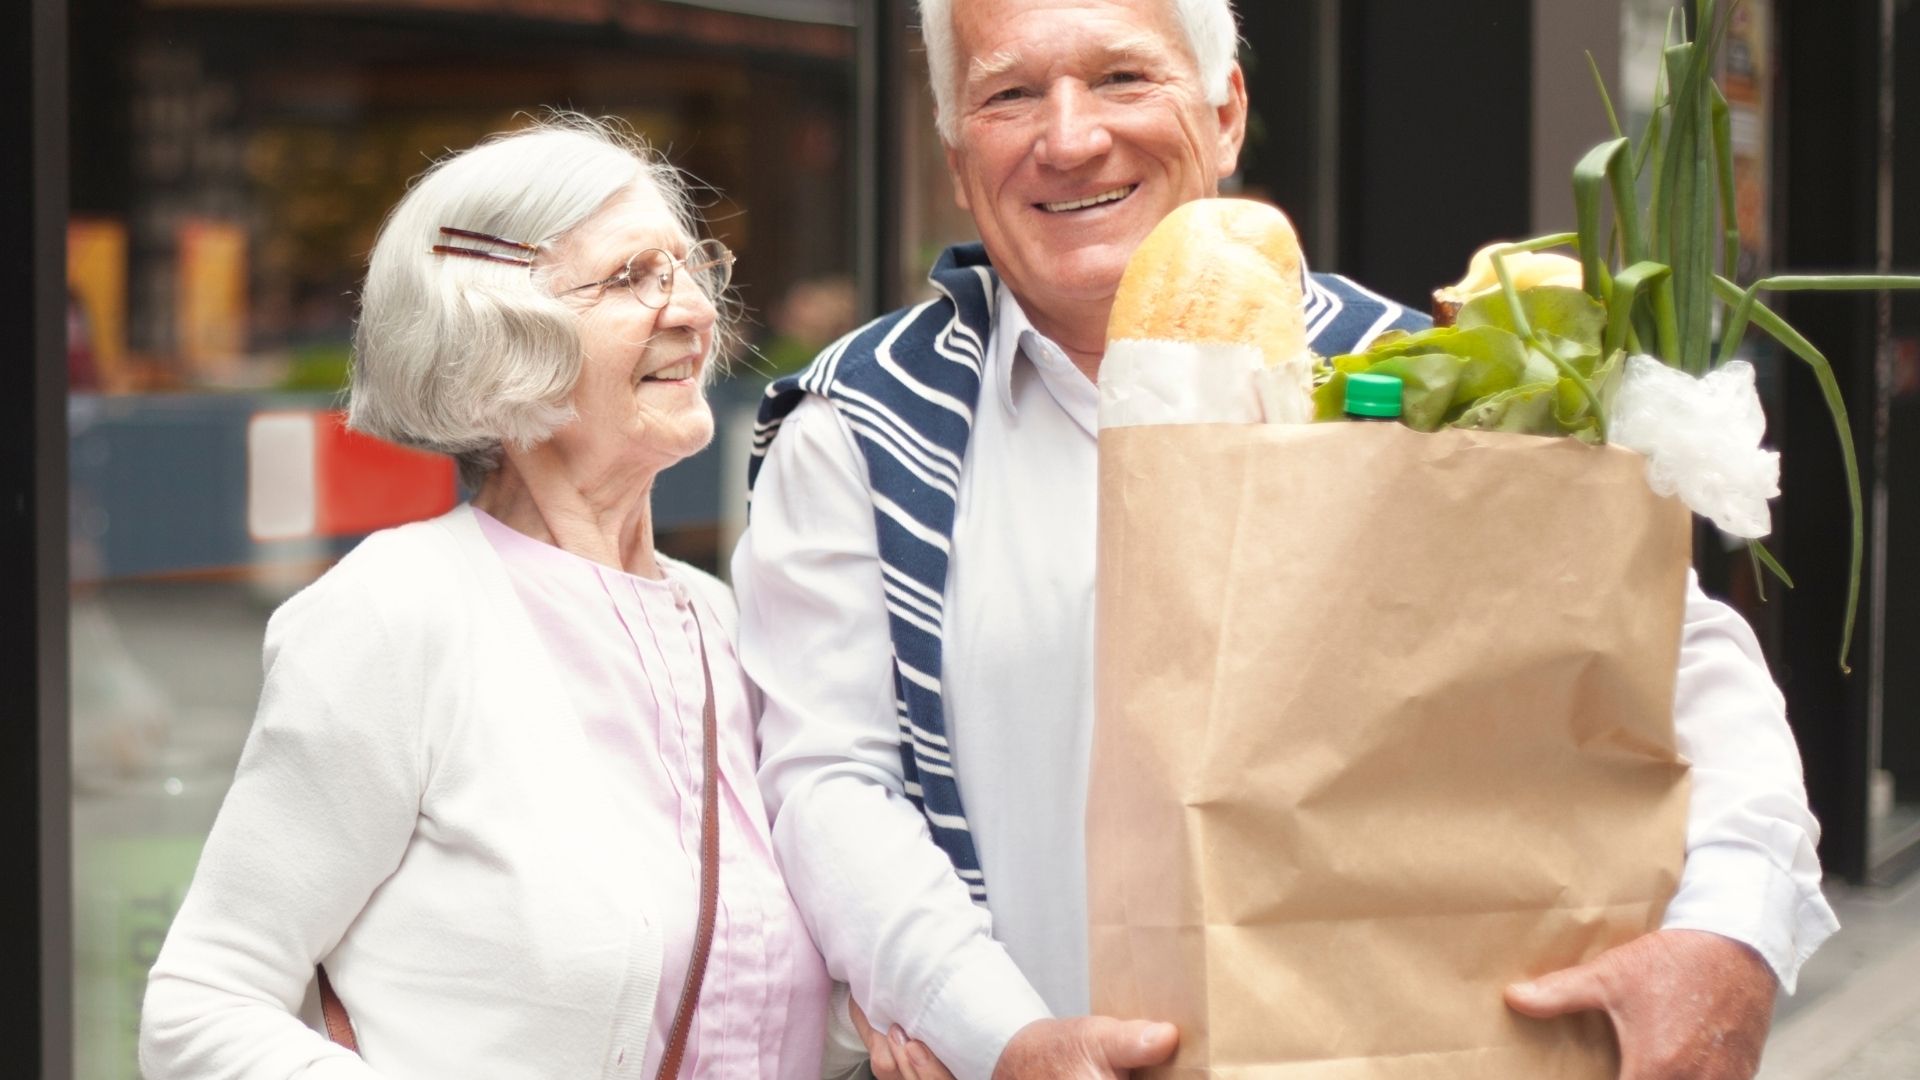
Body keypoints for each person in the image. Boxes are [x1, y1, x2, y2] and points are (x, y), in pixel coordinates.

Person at [732, 2, 1837, 1079]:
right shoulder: (859, 431)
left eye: (1122, 77)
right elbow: (832, 781)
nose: (1069, 139)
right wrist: (1001, 1039)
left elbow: (1683, 672)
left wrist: (1730, 938)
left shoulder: (1438, 379)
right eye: (1011, 94)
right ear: (956, 154)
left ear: (1225, 112)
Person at [140, 117, 868, 1080]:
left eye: (692, 269)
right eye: (629, 278)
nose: (693, 310)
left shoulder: (726, 625)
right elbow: (201, 1007)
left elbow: (757, 993)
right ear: (496, 332)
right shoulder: (400, 613)